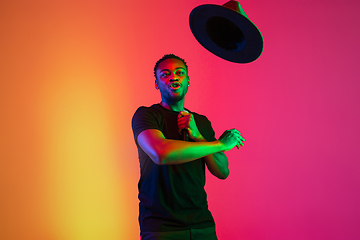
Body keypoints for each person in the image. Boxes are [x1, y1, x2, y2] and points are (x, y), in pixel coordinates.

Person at [131, 54, 245, 240]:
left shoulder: (201, 122)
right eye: (165, 74)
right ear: (157, 83)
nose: (173, 77)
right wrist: (220, 144)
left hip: (202, 224)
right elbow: (161, 153)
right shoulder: (146, 115)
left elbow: (222, 171)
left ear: (188, 81)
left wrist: (198, 136)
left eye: (179, 73)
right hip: (162, 227)